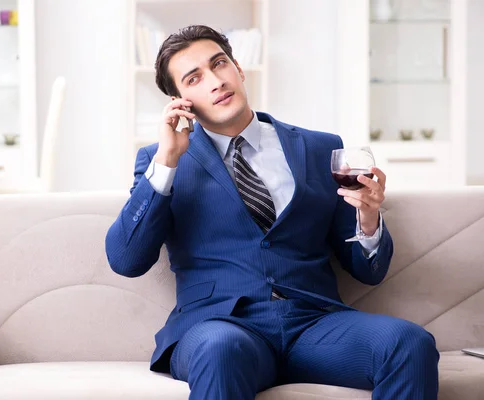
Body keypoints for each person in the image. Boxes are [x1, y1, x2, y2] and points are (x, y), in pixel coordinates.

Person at [105, 25, 438, 400]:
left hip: (315, 324)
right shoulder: (160, 160)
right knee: (220, 351)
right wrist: (168, 160)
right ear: (179, 101)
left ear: (239, 69)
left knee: (409, 342)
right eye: (194, 78)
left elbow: (369, 271)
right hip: (221, 326)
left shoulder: (320, 148)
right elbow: (125, 259)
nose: (215, 81)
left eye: (220, 64)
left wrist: (369, 218)